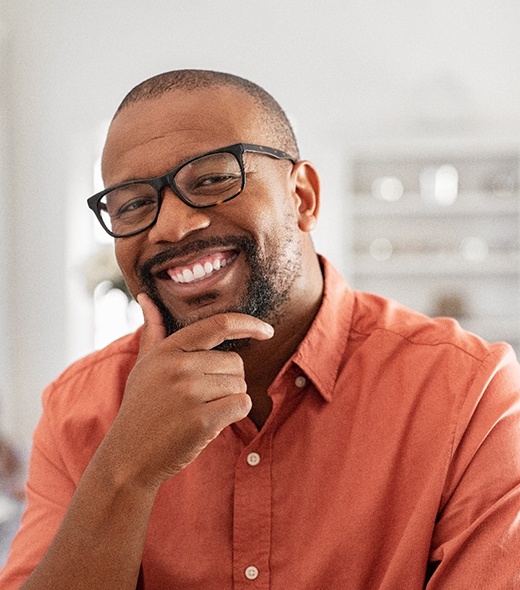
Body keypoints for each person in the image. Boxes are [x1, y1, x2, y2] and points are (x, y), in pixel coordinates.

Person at [1, 69, 520, 590]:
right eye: (134, 204)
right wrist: (125, 472)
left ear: (303, 198)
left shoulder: (469, 394)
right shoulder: (77, 411)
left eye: (211, 180)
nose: (172, 227)